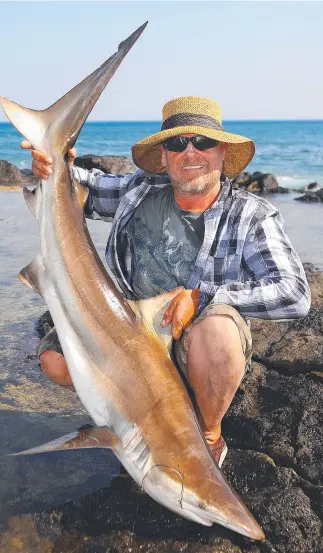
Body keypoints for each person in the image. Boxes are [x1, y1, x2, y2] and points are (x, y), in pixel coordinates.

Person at [22, 96, 310, 468]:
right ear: (163, 156)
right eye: (177, 143)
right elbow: (82, 188)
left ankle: (207, 434)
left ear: (223, 153)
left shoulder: (252, 215)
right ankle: (135, 413)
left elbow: (295, 293)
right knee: (56, 362)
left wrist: (202, 297)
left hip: (195, 340)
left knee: (217, 333)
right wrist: (51, 161)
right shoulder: (140, 191)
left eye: (203, 142)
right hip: (132, 334)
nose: (191, 152)